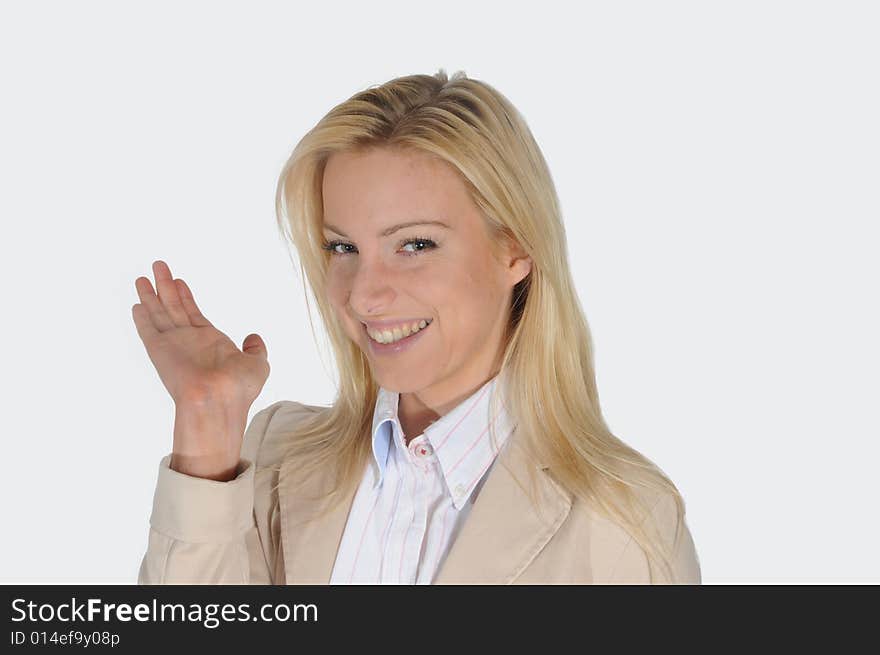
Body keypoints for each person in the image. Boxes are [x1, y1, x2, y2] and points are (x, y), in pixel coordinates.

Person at [133, 69, 701, 585]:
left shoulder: (624, 523)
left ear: (516, 248)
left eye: (416, 244)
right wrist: (206, 424)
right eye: (342, 247)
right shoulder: (273, 458)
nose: (364, 294)